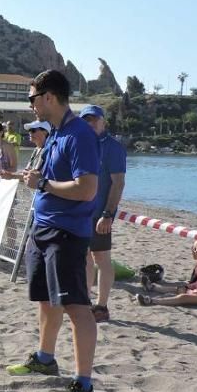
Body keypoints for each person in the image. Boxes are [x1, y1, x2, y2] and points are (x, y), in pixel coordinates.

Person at [7, 69, 100, 392]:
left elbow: (88, 189)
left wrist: (43, 185)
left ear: (48, 97)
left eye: (32, 99)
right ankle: (45, 358)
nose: (31, 106)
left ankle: (83, 384)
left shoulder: (79, 135)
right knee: (45, 299)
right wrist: (36, 180)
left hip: (66, 233)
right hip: (43, 228)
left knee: (77, 307)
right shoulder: (58, 133)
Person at [80, 105, 127, 322]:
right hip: (79, 212)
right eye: (86, 120)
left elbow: (118, 184)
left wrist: (108, 214)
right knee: (85, 258)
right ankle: (86, 301)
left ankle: (102, 306)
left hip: (100, 214)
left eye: (94, 120)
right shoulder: (81, 144)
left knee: (102, 258)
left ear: (103, 122)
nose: (90, 124)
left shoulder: (113, 147)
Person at [138, 241, 197, 307]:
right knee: (180, 289)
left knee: (183, 297)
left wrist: (192, 291)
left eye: (196, 249)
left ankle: (152, 301)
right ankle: (152, 287)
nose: (192, 250)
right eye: (192, 247)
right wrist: (190, 286)